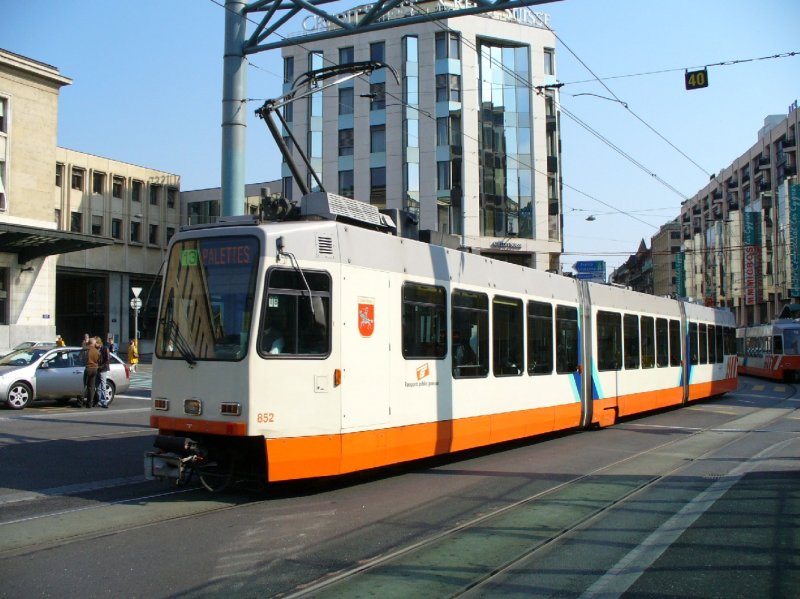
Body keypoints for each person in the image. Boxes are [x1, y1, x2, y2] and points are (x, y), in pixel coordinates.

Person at [83, 338, 101, 408]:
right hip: (94, 369)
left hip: (87, 368)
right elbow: (99, 360)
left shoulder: (85, 350)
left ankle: (80, 402)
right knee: (91, 387)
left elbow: (81, 359)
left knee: (83, 385)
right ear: (93, 343)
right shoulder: (96, 351)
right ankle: (90, 403)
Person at [95, 337, 110, 408]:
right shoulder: (96, 349)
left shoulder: (104, 349)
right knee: (97, 386)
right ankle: (99, 401)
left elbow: (107, 360)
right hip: (97, 369)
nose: (95, 345)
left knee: (103, 385)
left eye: (96, 343)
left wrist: (101, 367)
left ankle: (104, 402)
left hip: (103, 369)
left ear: (99, 343)